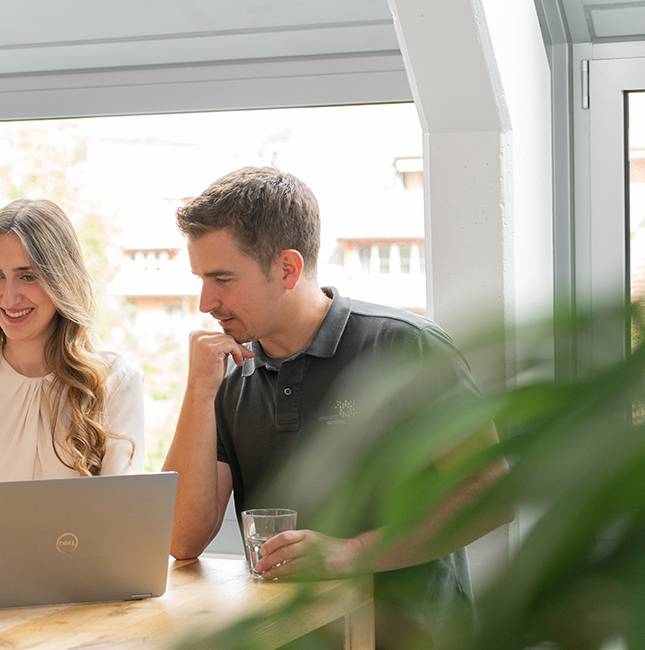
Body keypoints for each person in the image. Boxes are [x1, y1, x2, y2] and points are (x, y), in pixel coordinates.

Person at [161, 167, 506, 648]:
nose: (206, 302)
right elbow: (182, 540)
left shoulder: (408, 348)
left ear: (287, 269)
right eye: (201, 279)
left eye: (222, 279)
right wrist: (198, 394)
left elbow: (490, 497)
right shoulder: (226, 373)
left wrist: (351, 553)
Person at [0, 199, 145, 553]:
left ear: (61, 279)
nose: (9, 296)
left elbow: (123, 512)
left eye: (28, 275)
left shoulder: (116, 378)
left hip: (88, 578)